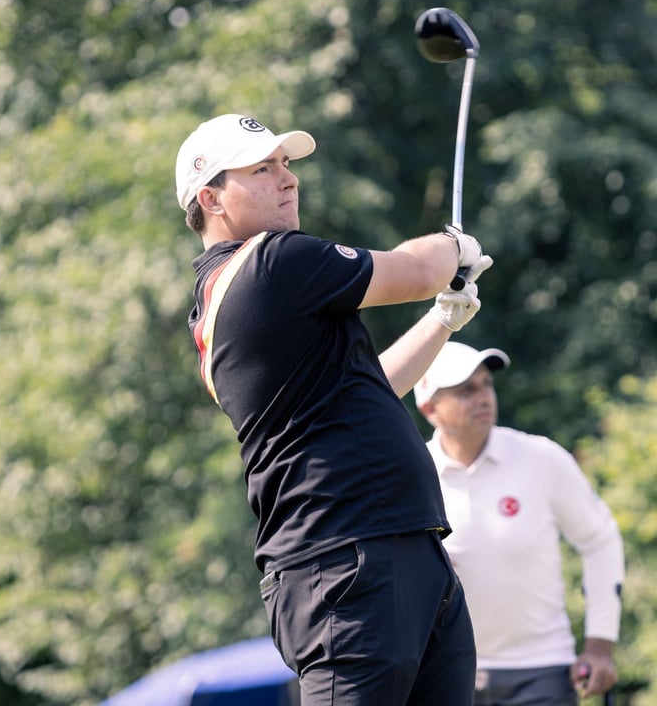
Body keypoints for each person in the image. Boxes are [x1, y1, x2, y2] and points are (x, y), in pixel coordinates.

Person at [176, 113, 494, 705]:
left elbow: (373, 386)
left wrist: (442, 320)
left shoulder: (254, 288)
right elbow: (421, 269)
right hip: (343, 560)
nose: (288, 180)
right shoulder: (272, 263)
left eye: (286, 166)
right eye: (262, 169)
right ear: (211, 197)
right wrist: (455, 246)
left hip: (401, 550)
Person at [413, 342, 626, 705]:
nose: (483, 397)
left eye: (487, 385)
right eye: (467, 390)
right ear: (430, 408)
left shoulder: (540, 457)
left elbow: (600, 540)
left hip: (542, 671)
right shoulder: (413, 473)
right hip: (444, 675)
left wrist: (600, 645)